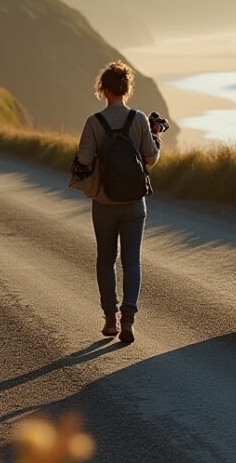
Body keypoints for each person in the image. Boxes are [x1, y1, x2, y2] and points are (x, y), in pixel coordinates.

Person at [76, 61, 163, 343]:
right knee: (132, 261)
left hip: (104, 202)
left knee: (106, 259)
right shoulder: (139, 119)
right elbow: (150, 158)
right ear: (127, 89)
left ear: (103, 90)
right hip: (134, 202)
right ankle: (128, 319)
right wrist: (155, 138)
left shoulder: (94, 122)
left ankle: (110, 319)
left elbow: (84, 160)